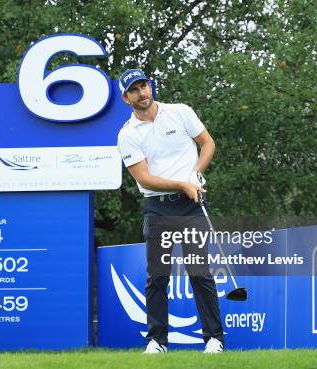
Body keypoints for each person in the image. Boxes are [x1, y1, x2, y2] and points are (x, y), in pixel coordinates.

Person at [116, 69, 224, 354]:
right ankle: (157, 341)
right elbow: (144, 178)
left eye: (144, 86)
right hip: (158, 209)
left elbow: (208, 143)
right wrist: (181, 184)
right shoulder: (127, 135)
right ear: (126, 98)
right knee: (158, 276)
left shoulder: (180, 112)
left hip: (191, 206)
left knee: (199, 271)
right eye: (135, 90)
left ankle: (214, 339)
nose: (143, 93)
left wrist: (196, 174)